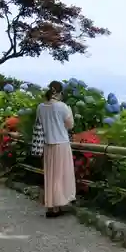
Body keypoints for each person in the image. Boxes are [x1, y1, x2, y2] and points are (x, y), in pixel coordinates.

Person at [36, 80, 76, 218]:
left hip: (47, 145)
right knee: (61, 175)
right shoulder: (63, 107)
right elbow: (70, 125)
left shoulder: (41, 107)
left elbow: (40, 124)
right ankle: (58, 205)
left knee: (50, 176)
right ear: (59, 92)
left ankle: (51, 206)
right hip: (62, 144)